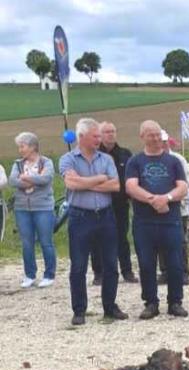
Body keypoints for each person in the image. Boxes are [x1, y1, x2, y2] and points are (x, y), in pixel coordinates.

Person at [58, 118, 128, 325]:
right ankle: (79, 310)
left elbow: (115, 186)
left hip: (105, 216)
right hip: (80, 217)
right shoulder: (67, 159)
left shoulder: (106, 159)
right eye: (95, 136)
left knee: (110, 264)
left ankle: (110, 307)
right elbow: (70, 183)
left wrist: (84, 183)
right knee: (78, 266)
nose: (99, 139)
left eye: (100, 135)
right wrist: (99, 179)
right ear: (81, 137)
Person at [126, 121, 189, 319]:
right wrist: (152, 199)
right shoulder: (135, 162)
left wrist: (167, 198)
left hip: (170, 220)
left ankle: (175, 301)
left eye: (157, 135)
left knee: (175, 263)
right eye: (150, 135)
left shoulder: (173, 161)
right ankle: (151, 302)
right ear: (142, 136)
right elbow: (131, 186)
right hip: (144, 222)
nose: (155, 138)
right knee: (146, 263)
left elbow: (182, 187)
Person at [90, 121, 138, 285]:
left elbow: (131, 178)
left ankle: (127, 271)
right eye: (107, 132)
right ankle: (99, 273)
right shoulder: (94, 155)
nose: (111, 134)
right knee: (97, 239)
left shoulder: (125, 154)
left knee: (121, 238)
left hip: (120, 204)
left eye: (113, 131)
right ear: (100, 135)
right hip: (98, 204)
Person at [10, 132, 56, 289]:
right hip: (22, 209)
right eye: (19, 147)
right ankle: (30, 275)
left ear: (33, 146)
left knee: (46, 242)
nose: (20, 150)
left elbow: (46, 179)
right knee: (27, 243)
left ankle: (49, 275)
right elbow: (12, 181)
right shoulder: (17, 164)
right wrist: (32, 181)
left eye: (22, 146)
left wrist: (26, 178)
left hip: (43, 208)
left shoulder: (46, 162)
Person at [158, 135, 189, 285]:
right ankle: (165, 271)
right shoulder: (152, 160)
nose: (163, 145)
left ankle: (183, 272)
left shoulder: (178, 159)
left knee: (180, 241)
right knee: (161, 241)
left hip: (179, 208)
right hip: (160, 208)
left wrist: (182, 202)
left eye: (165, 142)